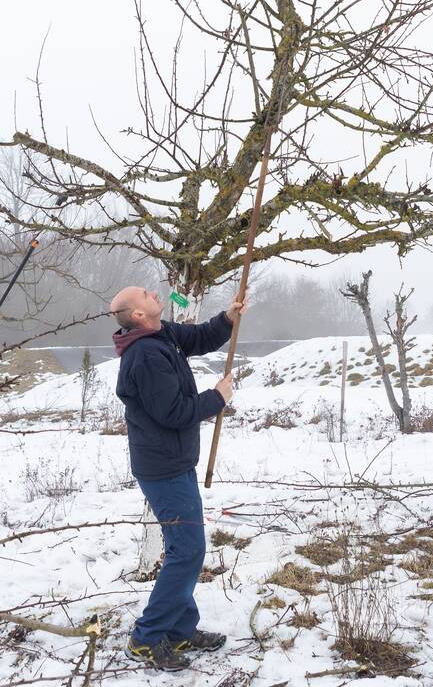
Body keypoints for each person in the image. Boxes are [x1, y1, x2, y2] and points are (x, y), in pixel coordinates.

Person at [109, 286, 246, 671]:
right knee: (188, 551)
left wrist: (226, 320)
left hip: (175, 461)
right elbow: (173, 412)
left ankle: (180, 629)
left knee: (183, 547)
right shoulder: (145, 356)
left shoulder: (161, 332)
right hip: (163, 468)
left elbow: (199, 337)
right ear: (137, 315)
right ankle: (147, 638)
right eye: (145, 295)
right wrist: (217, 397)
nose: (155, 293)